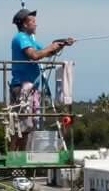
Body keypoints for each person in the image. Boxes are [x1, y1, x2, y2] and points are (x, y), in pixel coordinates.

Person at [9, 9, 73, 150]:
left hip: (31, 88)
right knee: (20, 127)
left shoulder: (29, 39)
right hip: (22, 87)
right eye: (33, 22)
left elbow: (45, 51)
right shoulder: (21, 38)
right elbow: (35, 55)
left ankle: (20, 156)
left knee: (27, 127)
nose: (36, 25)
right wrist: (51, 47)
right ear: (25, 24)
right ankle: (14, 156)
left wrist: (60, 44)